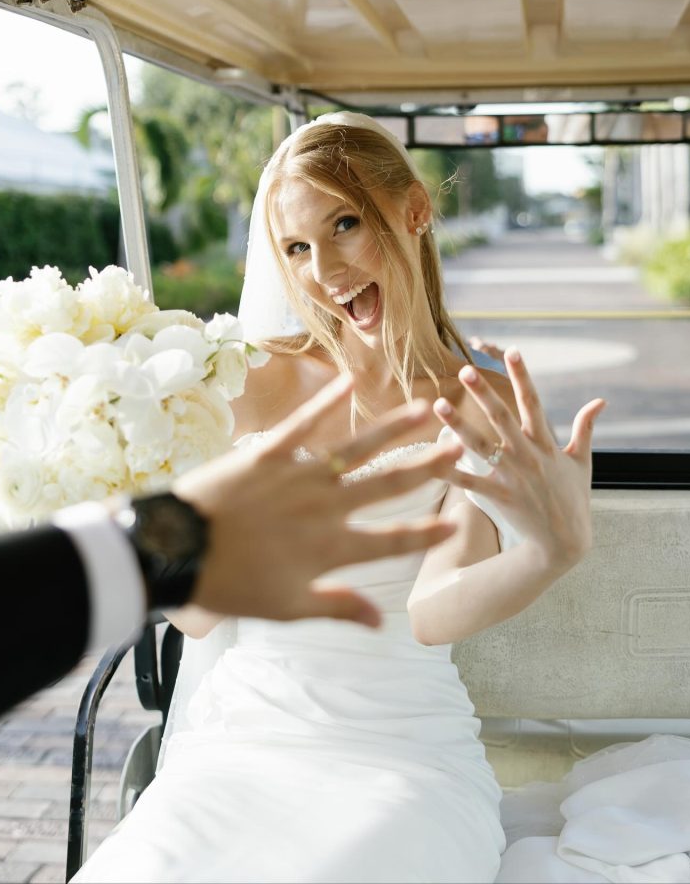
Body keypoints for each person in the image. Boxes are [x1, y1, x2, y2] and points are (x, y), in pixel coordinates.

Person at [74, 113, 604, 884]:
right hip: (237, 751)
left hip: (402, 755)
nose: (323, 270)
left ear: (413, 210)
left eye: (344, 225)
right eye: (296, 247)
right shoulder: (245, 380)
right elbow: (194, 617)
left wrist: (557, 551)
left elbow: (432, 612)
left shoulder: (481, 401)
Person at [0, 374, 462, 749]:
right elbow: (195, 619)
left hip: (400, 724)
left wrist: (148, 542)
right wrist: (147, 530)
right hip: (248, 721)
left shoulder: (461, 398)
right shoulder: (248, 385)